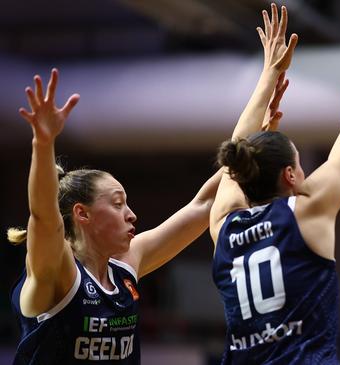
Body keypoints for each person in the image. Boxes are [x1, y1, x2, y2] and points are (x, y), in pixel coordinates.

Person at [7, 7, 296, 362]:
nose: (131, 214)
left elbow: (207, 201)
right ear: (81, 213)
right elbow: (44, 216)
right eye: (116, 203)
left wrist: (268, 77)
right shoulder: (57, 272)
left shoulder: (127, 265)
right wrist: (43, 142)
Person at [209, 0, 340, 363]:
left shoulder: (223, 225)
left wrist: (267, 78)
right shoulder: (306, 212)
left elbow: (237, 150)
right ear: (290, 175)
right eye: (301, 164)